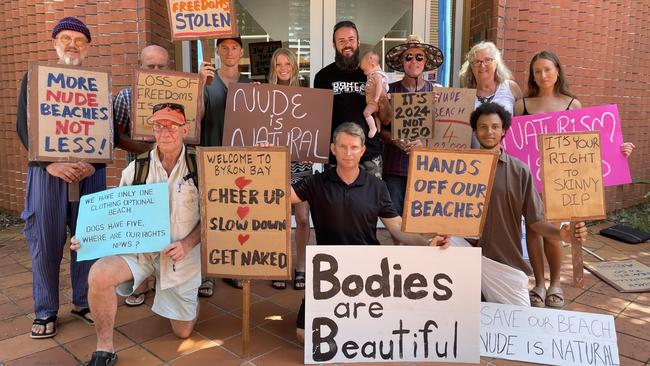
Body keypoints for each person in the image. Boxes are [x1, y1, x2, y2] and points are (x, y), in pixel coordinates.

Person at [287, 122, 450, 343]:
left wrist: (427, 242)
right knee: (304, 336)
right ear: (333, 149)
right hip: (327, 270)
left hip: (367, 271)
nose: (348, 152)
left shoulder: (377, 186)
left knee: (373, 335)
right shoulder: (317, 182)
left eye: (354, 147)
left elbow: (397, 228)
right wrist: (268, 159)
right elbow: (284, 195)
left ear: (362, 150)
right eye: (342, 146)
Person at [71, 103, 201, 366]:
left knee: (182, 331)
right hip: (140, 251)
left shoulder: (200, 167)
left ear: (185, 129)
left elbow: (214, 216)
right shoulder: (136, 169)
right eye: (159, 126)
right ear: (152, 130)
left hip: (180, 255)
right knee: (99, 274)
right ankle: (104, 348)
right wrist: (89, 237)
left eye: (172, 126)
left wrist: (188, 244)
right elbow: (117, 213)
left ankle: (192, 297)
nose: (165, 132)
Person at [514, 51, 635, 308]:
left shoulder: (572, 105)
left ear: (558, 71)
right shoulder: (521, 104)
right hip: (529, 181)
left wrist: (618, 151)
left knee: (555, 232)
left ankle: (555, 282)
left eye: (547, 69)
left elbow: (586, 145)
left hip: (559, 181)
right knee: (534, 232)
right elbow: (515, 143)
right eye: (537, 71)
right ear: (532, 75)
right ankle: (538, 283)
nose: (543, 75)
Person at [16, 17, 109, 339]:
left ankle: (83, 301)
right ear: (55, 43)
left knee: (89, 240)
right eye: (66, 38)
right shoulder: (36, 79)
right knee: (45, 241)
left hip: (89, 173)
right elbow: (24, 128)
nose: (72, 44)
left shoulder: (98, 83)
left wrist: (93, 164)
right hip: (47, 174)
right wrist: (50, 164)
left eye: (79, 40)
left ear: (88, 46)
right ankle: (45, 310)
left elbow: (104, 132)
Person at [464, 102, 588, 306]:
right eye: (483, 127)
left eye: (495, 127)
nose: (489, 132)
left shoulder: (520, 171)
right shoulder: (460, 167)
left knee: (519, 317)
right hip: (466, 256)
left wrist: (561, 235)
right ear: (475, 131)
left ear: (504, 130)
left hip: (504, 263)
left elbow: (536, 221)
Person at [113, 44, 170, 306]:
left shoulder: (179, 94)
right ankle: (139, 284)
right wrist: (149, 149)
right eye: (151, 66)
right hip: (139, 173)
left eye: (162, 66)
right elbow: (117, 136)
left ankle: (162, 282)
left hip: (172, 174)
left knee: (169, 228)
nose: (156, 71)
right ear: (140, 66)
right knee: (140, 229)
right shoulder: (126, 96)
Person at [198, 35, 251, 291]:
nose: (229, 52)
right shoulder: (208, 81)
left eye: (234, 47)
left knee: (236, 216)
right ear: (217, 51)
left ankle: (233, 268)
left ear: (241, 51)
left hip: (241, 162)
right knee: (210, 216)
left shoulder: (250, 83)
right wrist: (199, 84)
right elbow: (196, 118)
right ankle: (207, 272)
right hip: (212, 156)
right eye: (224, 48)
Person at [379, 34, 443, 229]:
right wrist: (395, 139)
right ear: (401, 62)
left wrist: (425, 143)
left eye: (418, 57)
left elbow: (446, 131)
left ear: (425, 62)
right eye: (408, 57)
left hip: (426, 169)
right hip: (395, 168)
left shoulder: (437, 93)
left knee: (423, 224)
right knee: (396, 222)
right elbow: (380, 128)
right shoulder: (389, 91)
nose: (413, 61)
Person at [314, 21, 385, 178]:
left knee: (371, 202)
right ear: (334, 44)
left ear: (358, 42)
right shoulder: (323, 77)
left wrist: (384, 99)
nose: (347, 44)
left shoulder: (371, 74)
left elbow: (385, 117)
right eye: (342, 41)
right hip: (336, 158)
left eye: (351, 39)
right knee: (334, 203)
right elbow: (318, 121)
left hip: (369, 155)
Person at [266, 48, 311, 290]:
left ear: (294, 67)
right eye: (278, 64)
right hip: (275, 164)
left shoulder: (306, 95)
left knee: (303, 218)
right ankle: (279, 266)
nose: (283, 68)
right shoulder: (264, 95)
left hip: (301, 164)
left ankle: (301, 267)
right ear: (273, 68)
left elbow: (314, 131)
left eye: (287, 64)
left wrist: (311, 152)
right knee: (279, 219)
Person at [459, 41, 523, 148]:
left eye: (487, 60)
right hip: (475, 159)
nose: (482, 65)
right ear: (471, 67)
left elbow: (523, 124)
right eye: (476, 62)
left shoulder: (511, 88)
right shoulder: (464, 96)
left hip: (506, 158)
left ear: (496, 63)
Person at [359, 50, 389, 138]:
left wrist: (376, 97)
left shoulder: (376, 75)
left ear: (372, 64)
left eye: (365, 70)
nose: (364, 73)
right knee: (376, 116)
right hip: (374, 101)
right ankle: (378, 128)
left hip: (375, 101)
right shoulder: (373, 75)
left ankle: (372, 128)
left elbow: (379, 86)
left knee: (367, 113)